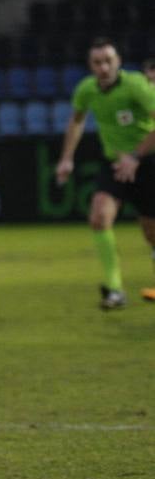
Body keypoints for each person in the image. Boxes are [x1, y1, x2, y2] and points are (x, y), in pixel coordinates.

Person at [54, 38, 155, 308]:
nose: (104, 67)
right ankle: (114, 289)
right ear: (90, 66)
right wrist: (66, 159)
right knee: (99, 217)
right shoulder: (86, 90)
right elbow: (76, 121)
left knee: (151, 233)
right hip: (114, 164)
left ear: (118, 61)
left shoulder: (136, 85)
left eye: (108, 60)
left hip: (147, 164)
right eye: (97, 62)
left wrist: (136, 157)